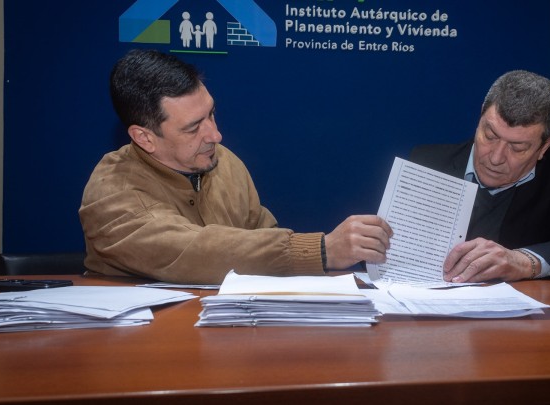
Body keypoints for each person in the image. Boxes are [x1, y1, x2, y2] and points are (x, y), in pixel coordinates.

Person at [79, 49, 392, 284]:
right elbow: (193, 251)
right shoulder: (110, 192)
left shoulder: (223, 161)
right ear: (144, 137)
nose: (215, 135)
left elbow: (263, 238)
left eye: (211, 114)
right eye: (193, 127)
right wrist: (321, 250)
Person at [409, 70, 550, 282]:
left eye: (518, 147)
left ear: (545, 146)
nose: (496, 158)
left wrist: (524, 262)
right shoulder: (428, 163)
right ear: (480, 117)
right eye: (490, 136)